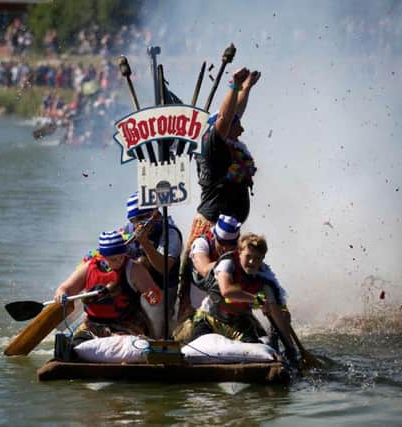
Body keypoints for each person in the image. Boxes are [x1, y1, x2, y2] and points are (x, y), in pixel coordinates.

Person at [178, 67, 261, 318]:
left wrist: (246, 89)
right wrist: (233, 86)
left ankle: (231, 312)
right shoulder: (213, 146)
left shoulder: (229, 142)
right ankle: (188, 317)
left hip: (230, 228)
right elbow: (226, 118)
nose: (242, 128)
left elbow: (234, 114)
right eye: (237, 125)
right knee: (204, 278)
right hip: (212, 227)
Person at [188, 233, 299, 365]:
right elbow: (226, 291)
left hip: (239, 321)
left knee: (262, 343)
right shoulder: (227, 264)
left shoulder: (265, 278)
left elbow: (276, 314)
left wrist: (290, 348)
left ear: (263, 258)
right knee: (194, 348)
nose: (252, 262)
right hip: (210, 318)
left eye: (257, 258)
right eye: (248, 257)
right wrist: (256, 300)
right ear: (239, 253)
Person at [53, 230, 163, 351]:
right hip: (93, 324)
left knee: (126, 347)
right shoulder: (88, 267)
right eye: (114, 259)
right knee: (74, 347)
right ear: (103, 257)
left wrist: (153, 296)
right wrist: (61, 293)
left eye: (121, 256)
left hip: (126, 323)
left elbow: (155, 295)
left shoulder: (134, 269)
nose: (120, 261)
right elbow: (66, 288)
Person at [122, 191, 183, 336]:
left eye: (141, 219)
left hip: (162, 287)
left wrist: (144, 243)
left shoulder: (170, 233)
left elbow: (164, 268)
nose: (137, 225)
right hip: (136, 287)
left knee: (156, 333)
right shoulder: (128, 230)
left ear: (154, 215)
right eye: (134, 220)